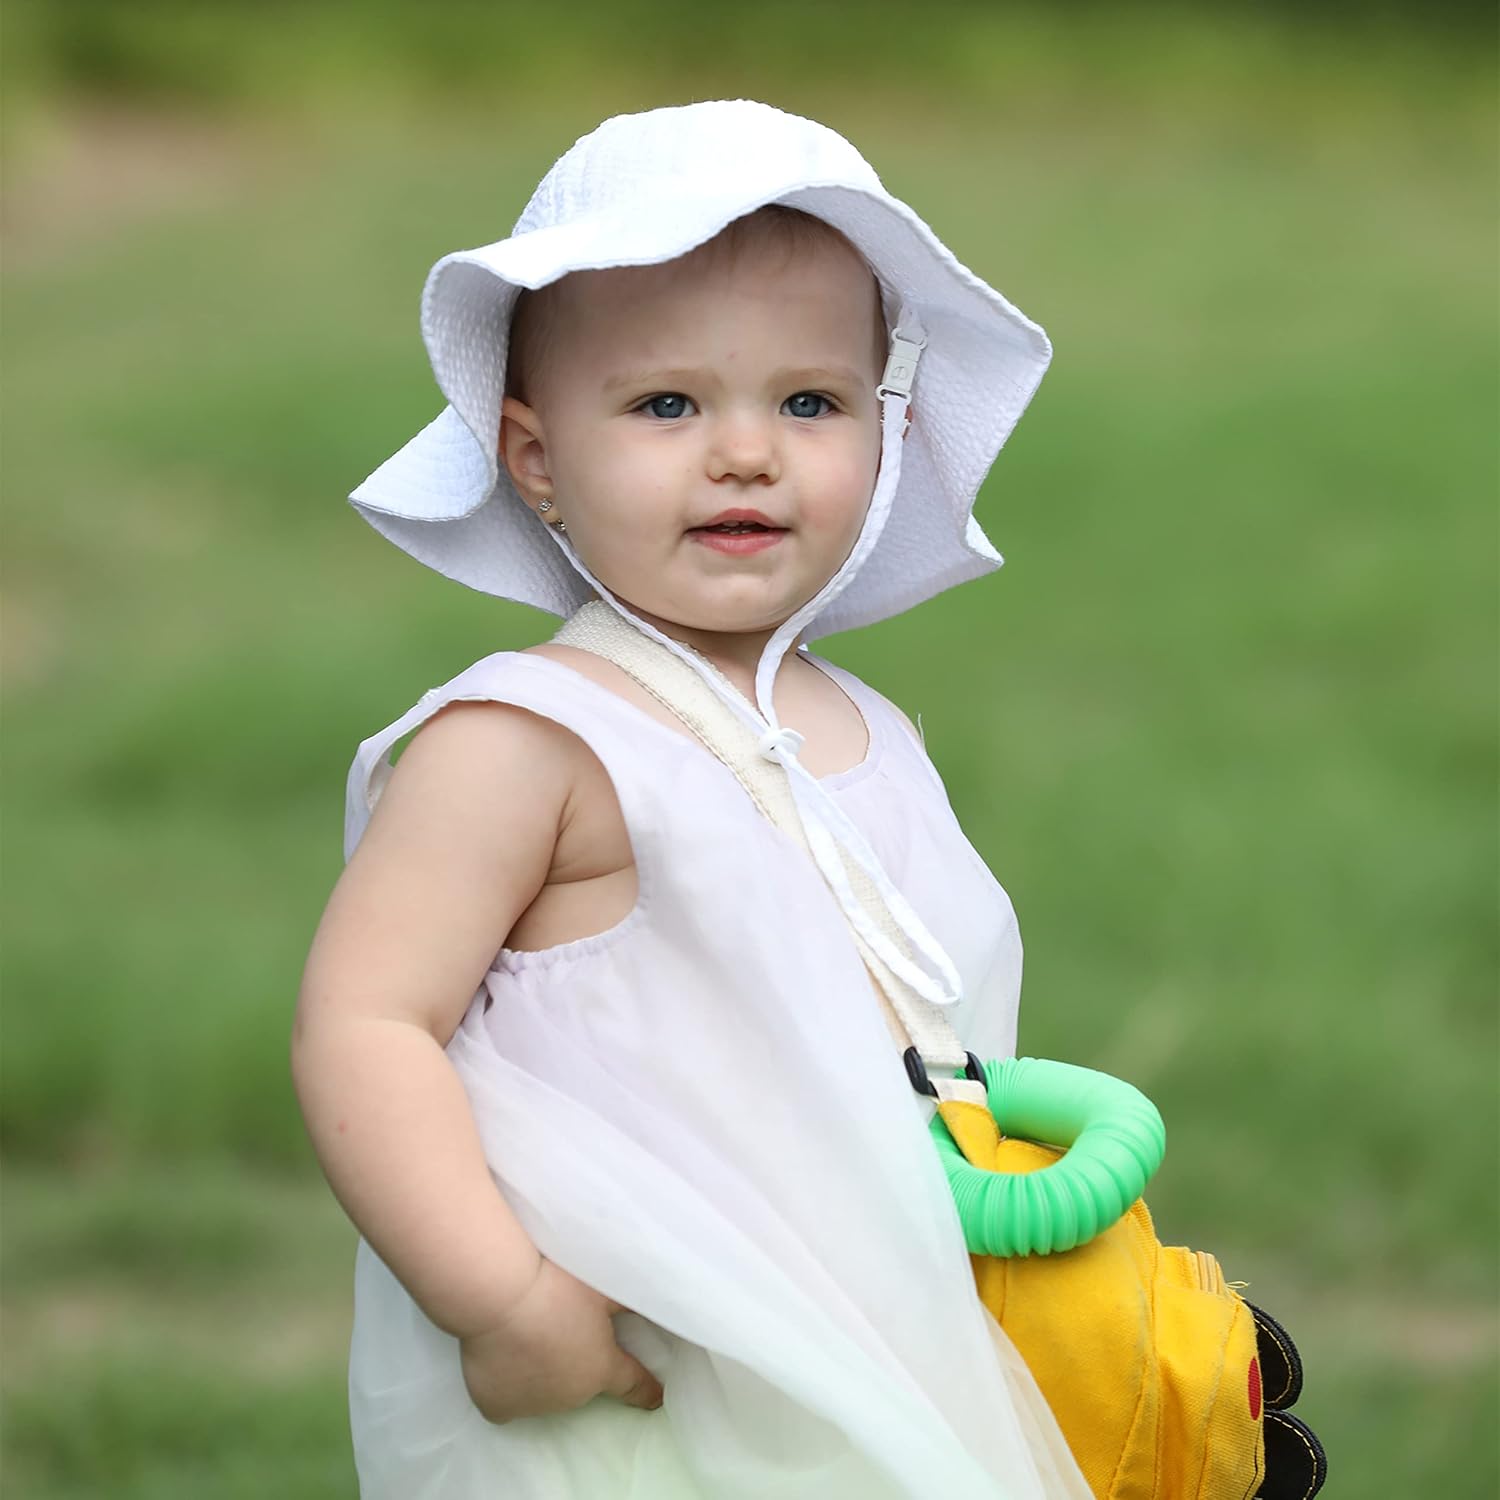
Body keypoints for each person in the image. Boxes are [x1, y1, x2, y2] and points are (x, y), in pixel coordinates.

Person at [291, 100, 1091, 1499]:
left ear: (888, 430)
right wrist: (501, 1300)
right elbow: (366, 1023)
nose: (745, 452)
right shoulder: (527, 741)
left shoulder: (863, 728)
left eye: (809, 403)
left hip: (862, 1354)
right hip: (632, 1382)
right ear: (537, 459)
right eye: (668, 405)